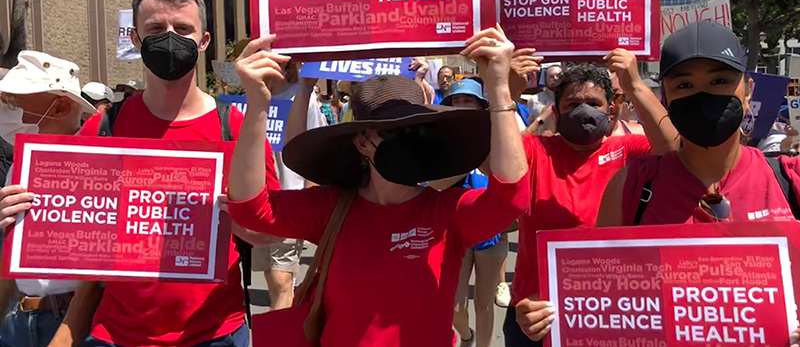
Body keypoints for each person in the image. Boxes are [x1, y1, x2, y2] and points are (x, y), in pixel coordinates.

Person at [225, 27, 531, 346]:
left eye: (415, 131)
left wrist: (498, 89)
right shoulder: (331, 209)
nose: (406, 141)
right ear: (362, 142)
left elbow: (512, 198)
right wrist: (258, 104)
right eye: (392, 133)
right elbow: (252, 210)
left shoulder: (447, 212)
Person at [40, 0, 280, 347]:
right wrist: (26, 217)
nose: (170, 38)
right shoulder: (104, 127)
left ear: (203, 42)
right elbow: (70, 231)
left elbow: (270, 233)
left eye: (183, 29)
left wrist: (235, 213)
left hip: (215, 334)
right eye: (156, 29)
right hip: (117, 334)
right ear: (136, 40)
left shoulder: (235, 128)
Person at [589, 22, 800, 346]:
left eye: (719, 81)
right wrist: (551, 312)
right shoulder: (630, 186)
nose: (703, 96)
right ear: (667, 98)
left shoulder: (790, 179)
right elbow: (600, 301)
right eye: (684, 84)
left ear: (749, 90)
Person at [507, 49, 680, 346]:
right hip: (536, 312)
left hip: (609, 309)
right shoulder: (536, 151)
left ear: (611, 110)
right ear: (556, 112)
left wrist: (634, 84)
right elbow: (495, 163)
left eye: (593, 103)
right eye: (573, 104)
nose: (584, 111)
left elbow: (675, 153)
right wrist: (504, 91)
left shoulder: (628, 151)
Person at [0, 51, 96, 347]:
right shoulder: (20, 165)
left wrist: (68, 335)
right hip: (17, 320)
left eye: (20, 102)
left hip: (72, 323)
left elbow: (100, 266)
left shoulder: (97, 165)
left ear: (61, 106)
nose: (13, 112)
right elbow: (10, 258)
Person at [253, 62, 326, 311]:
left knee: (281, 278)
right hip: (256, 201)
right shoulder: (253, 96)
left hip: (290, 200)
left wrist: (310, 194)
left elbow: (315, 146)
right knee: (272, 279)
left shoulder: (302, 96)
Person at [438, 78, 506, 347]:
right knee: (455, 306)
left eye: (468, 100)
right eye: (457, 100)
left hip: (491, 232)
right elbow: (435, 184)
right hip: (456, 232)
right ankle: (466, 336)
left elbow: (506, 177)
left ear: (481, 106)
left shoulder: (495, 134)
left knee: (484, 304)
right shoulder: (442, 139)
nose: (462, 105)